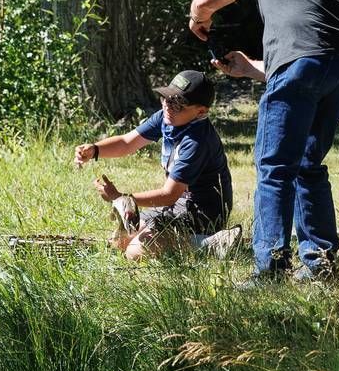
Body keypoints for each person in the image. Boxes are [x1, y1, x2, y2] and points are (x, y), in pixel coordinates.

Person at [189, 0, 339, 282]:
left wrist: (199, 20)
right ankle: (321, 265)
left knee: (274, 168)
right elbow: (315, 54)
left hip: (304, 66)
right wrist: (250, 67)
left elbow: (204, 1)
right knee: (308, 163)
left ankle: (270, 268)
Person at [74, 69, 237, 261]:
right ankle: (197, 241)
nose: (168, 106)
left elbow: (169, 195)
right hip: (179, 205)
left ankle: (210, 243)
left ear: (200, 111)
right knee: (120, 241)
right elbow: (127, 142)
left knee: (135, 252)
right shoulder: (167, 118)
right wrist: (95, 149)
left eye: (178, 104)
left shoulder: (196, 141)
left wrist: (123, 198)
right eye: (166, 98)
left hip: (204, 213)